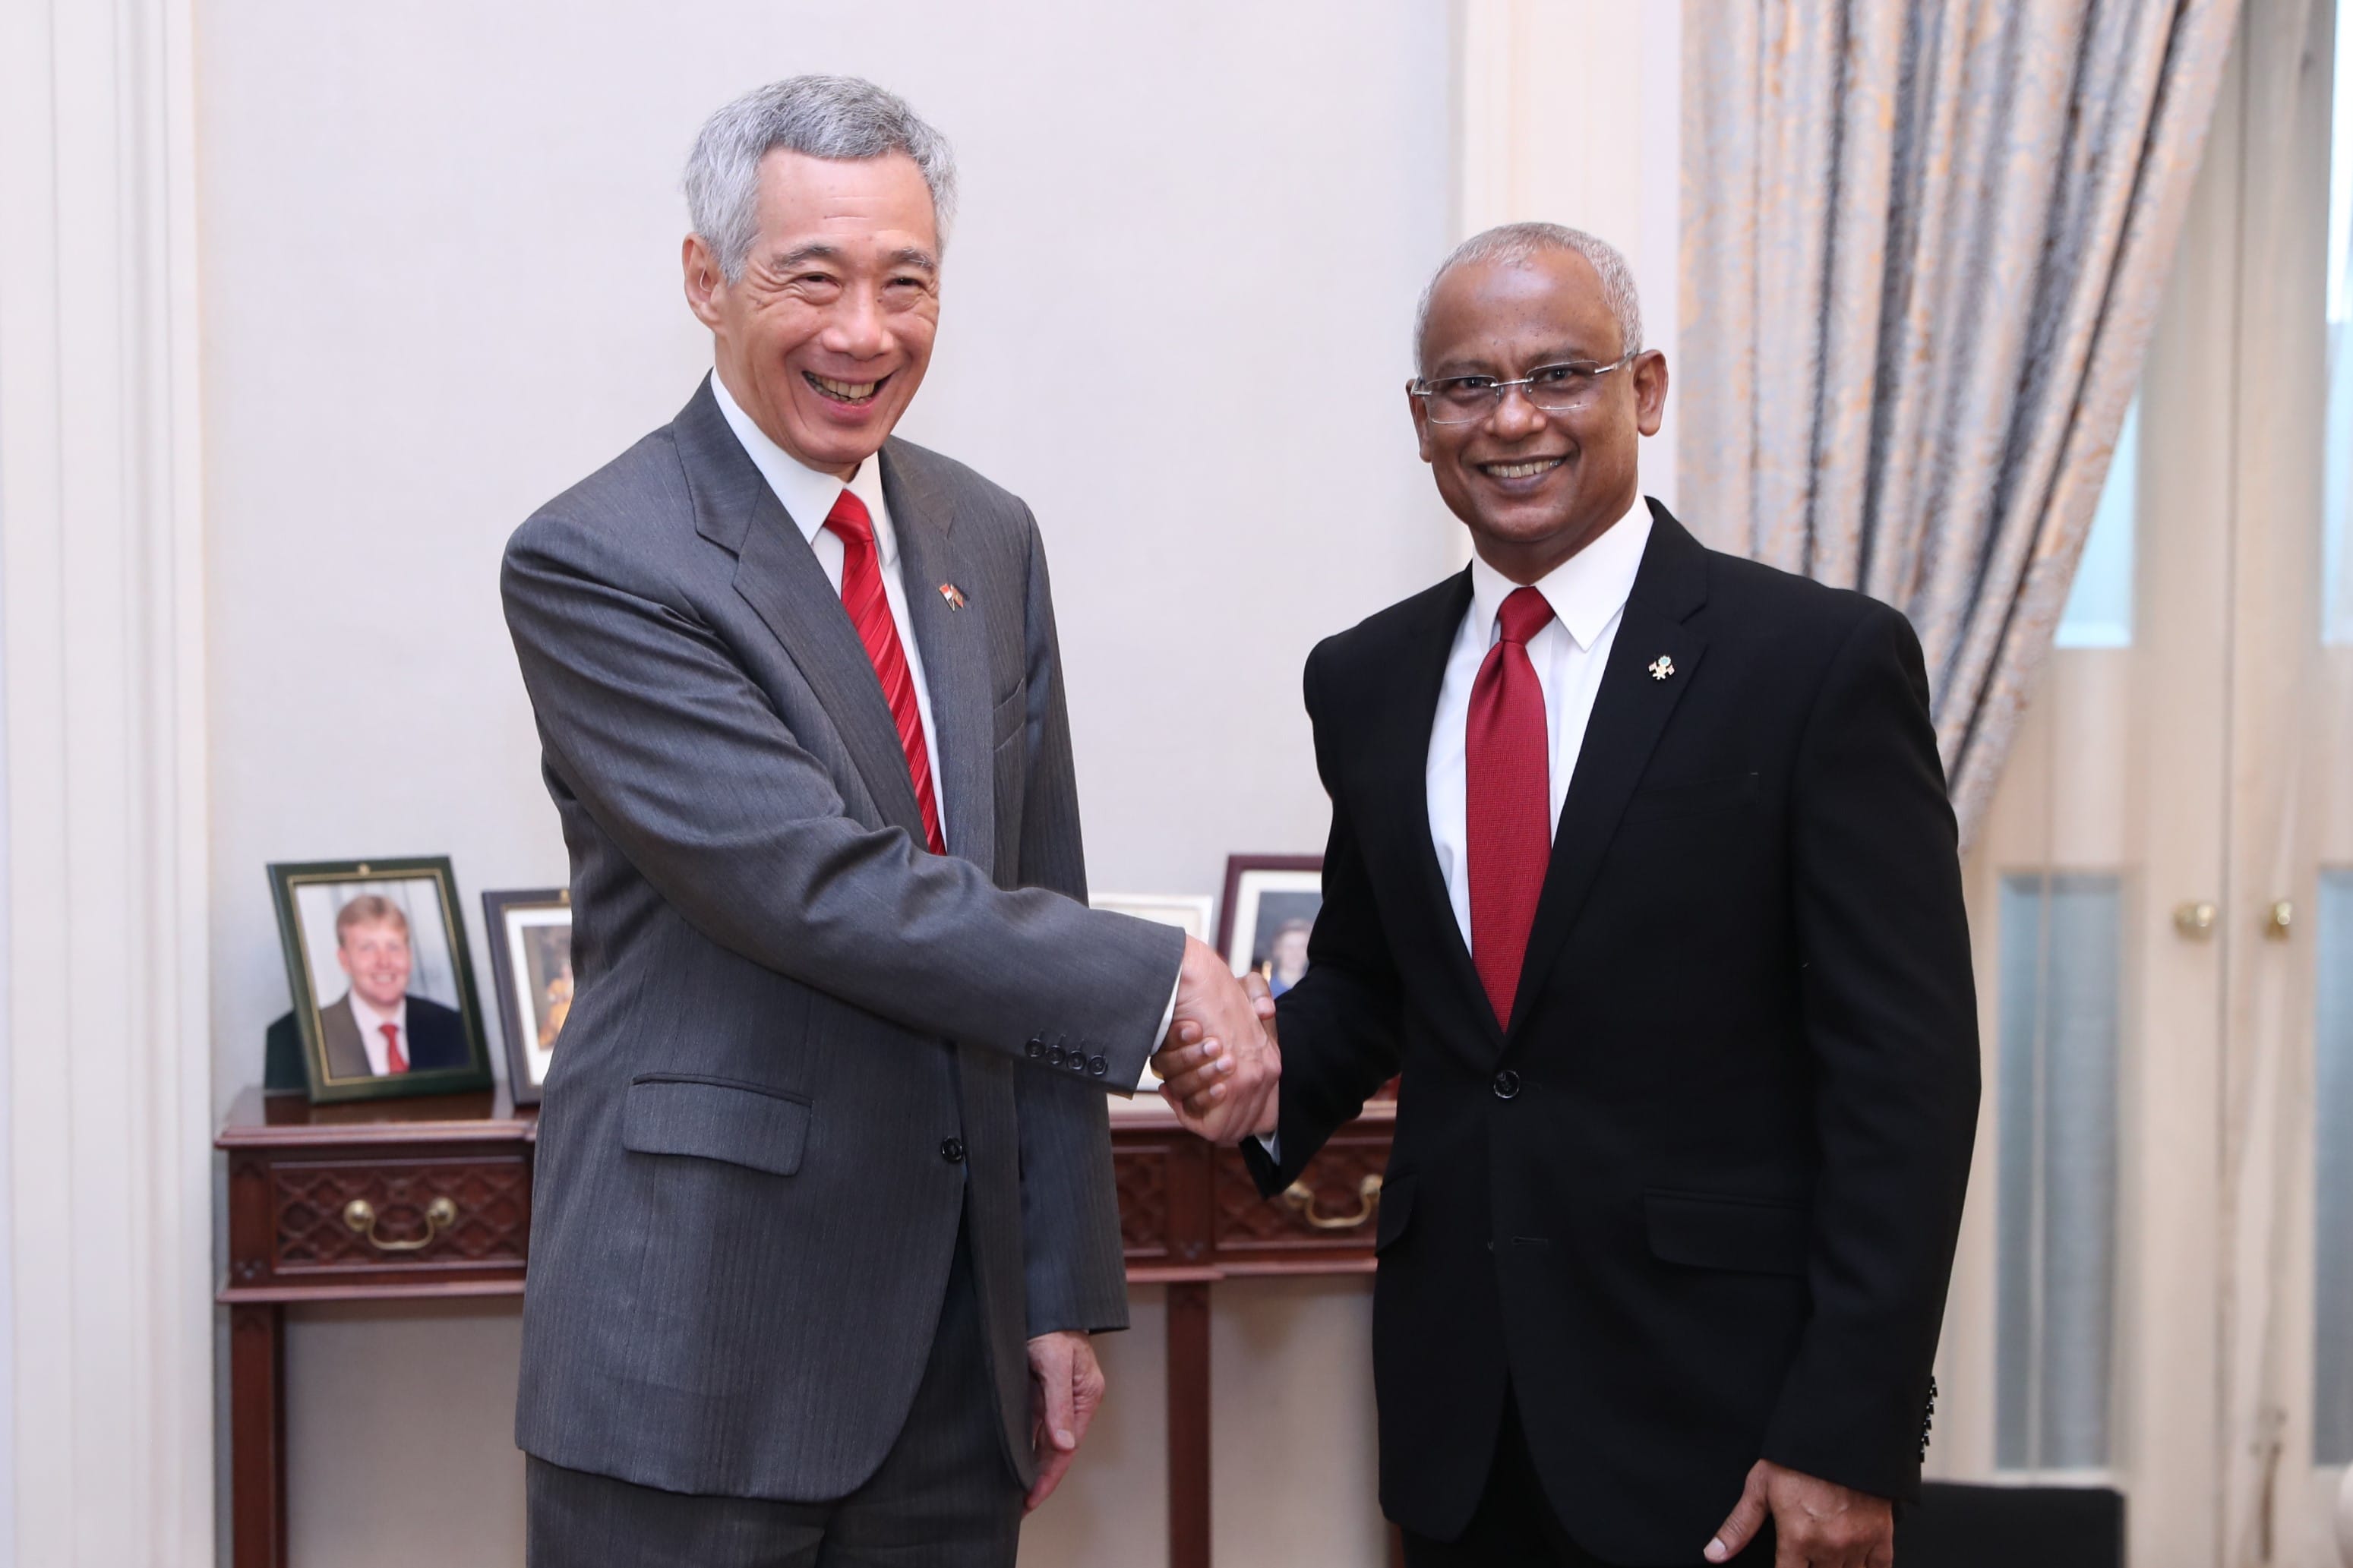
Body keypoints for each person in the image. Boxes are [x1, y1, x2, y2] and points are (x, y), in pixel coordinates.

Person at [500, 75, 1272, 1567]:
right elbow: (808, 886)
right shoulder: (599, 556)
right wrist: (1162, 978)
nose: (866, 332)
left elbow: (1034, 886)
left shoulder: (984, 534)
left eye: (905, 283)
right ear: (705, 281)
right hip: (700, 1348)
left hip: (947, 1362)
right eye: (815, 278)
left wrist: (1056, 1287)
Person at [1154, 223, 1979, 1568]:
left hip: (1728, 1433)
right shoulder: (1363, 678)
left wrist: (1848, 1427)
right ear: (1421, 423)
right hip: (1460, 1427)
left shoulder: (1814, 666)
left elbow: (1907, 1080)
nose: (1512, 419)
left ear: (1642, 390)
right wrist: (1239, 1072)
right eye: (1467, 386)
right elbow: (1373, 976)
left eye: (1559, 374)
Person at [315, 894, 469, 1077]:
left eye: (394, 947)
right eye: (368, 948)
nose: (384, 962)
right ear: (344, 960)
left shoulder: (454, 1028)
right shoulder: (311, 1035)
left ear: (409, 956)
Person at [1263, 917, 1311, 996]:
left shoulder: (1314, 990)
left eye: (1302, 947)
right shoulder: (1266, 992)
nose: (1296, 953)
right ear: (1277, 950)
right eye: (1289, 947)